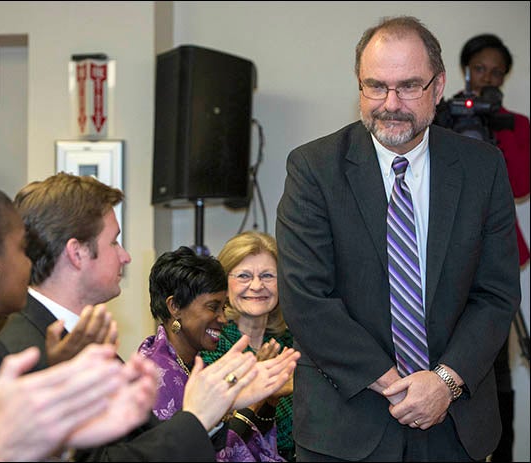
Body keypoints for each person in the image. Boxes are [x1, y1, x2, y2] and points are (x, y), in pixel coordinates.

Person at [276, 15, 520, 462]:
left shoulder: (482, 168)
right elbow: (306, 298)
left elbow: (496, 293)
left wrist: (443, 383)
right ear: (359, 85)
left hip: (456, 424)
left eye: (408, 86)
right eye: (376, 86)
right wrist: (400, 388)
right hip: (345, 427)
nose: (391, 103)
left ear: (438, 84)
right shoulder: (313, 169)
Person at [0, 172, 296, 461]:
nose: (125, 256)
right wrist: (198, 416)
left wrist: (223, 406)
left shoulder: (79, 339)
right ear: (77, 253)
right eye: (114, 242)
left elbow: (143, 445)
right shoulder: (27, 352)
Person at [0, 185, 159, 461]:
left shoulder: (2, 345)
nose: (28, 263)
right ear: (76, 253)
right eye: (20, 249)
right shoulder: (23, 351)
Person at [138, 245, 299, 461]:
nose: (222, 318)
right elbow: (204, 453)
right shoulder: (158, 375)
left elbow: (243, 439)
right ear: (175, 306)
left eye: (223, 308)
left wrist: (268, 400)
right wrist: (251, 398)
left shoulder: (189, 363)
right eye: (213, 307)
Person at [455, 33, 529, 463]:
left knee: (497, 367)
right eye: (480, 68)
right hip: (449, 258)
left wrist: (495, 132)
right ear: (465, 70)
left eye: (496, 71)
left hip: (495, 254)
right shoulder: (441, 113)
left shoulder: (515, 124)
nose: (487, 77)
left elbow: (520, 186)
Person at [200, 231, 295, 461]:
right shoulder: (211, 345)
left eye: (267, 275)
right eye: (243, 276)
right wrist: (257, 388)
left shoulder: (293, 341)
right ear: (224, 284)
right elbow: (216, 436)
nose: (256, 285)